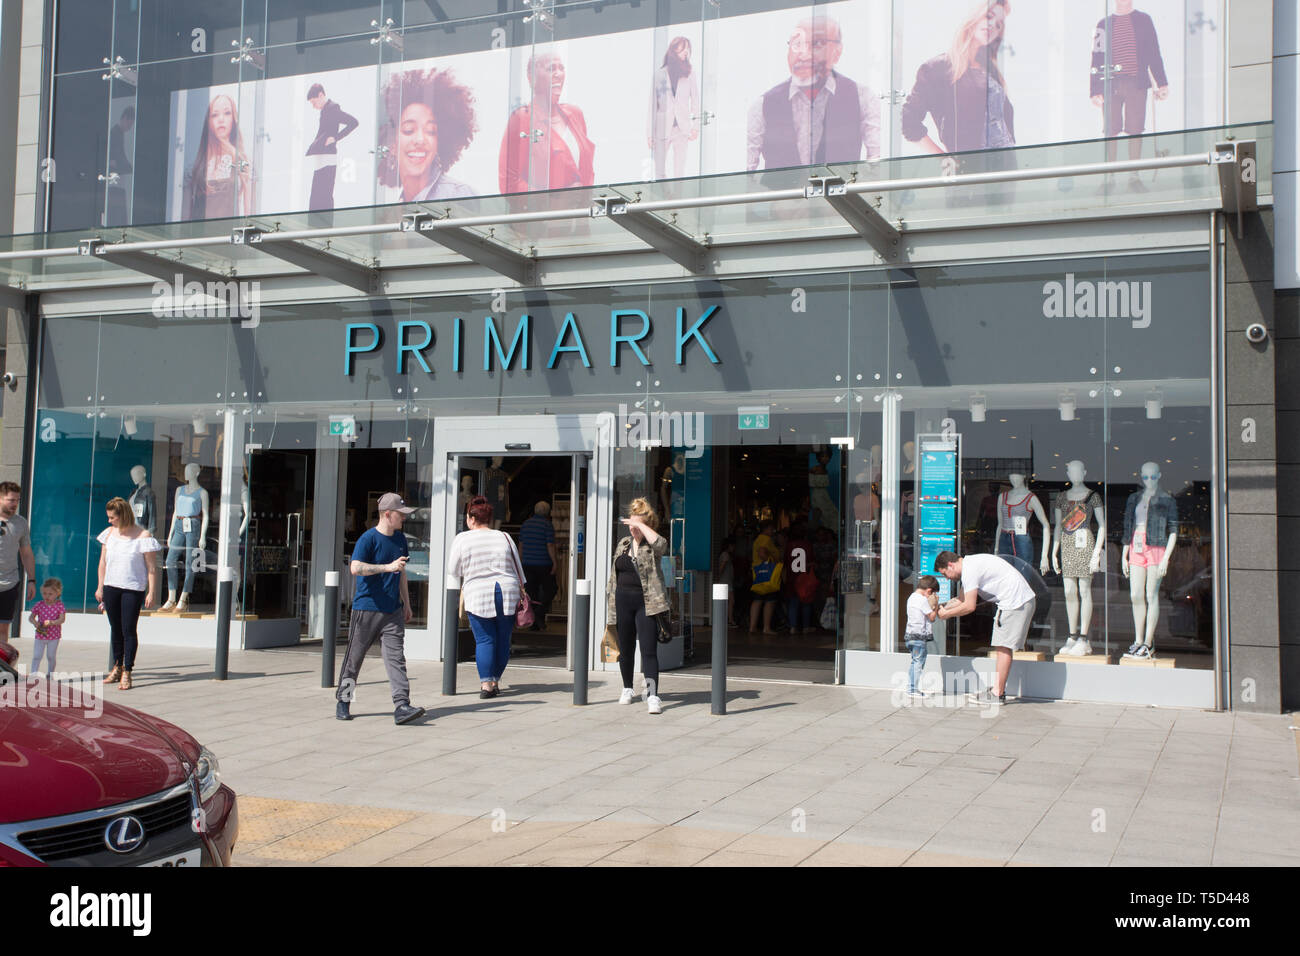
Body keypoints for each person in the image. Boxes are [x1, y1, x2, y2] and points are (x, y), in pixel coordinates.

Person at [900, 0, 1014, 192]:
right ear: (974, 17)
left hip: (1006, 171)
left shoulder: (992, 72)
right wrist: (944, 159)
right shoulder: (938, 68)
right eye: (988, 17)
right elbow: (909, 123)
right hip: (968, 174)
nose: (992, 26)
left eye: (999, 24)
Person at [746, 15, 880, 171]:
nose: (804, 54)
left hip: (840, 195)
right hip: (781, 195)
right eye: (797, 44)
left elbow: (876, 165)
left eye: (816, 44)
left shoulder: (862, 97)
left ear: (837, 52)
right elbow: (747, 175)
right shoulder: (763, 104)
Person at [337, 493, 425, 724]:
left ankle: (402, 705)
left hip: (392, 610)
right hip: (366, 609)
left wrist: (406, 602)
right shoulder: (368, 539)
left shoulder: (400, 540)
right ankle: (344, 701)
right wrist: (387, 567)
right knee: (354, 659)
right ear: (387, 514)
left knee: (396, 659)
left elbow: (401, 572)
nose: (403, 519)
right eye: (400, 515)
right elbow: (355, 568)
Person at [447, 495, 527, 698]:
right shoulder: (504, 537)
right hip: (506, 592)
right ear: (489, 519)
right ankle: (495, 680)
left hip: (478, 592)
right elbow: (518, 567)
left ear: (471, 519)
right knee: (502, 639)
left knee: (484, 640)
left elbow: (453, 569)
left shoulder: (462, 538)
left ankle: (486, 685)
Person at [935, 550, 1035, 704]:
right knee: (1002, 646)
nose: (947, 578)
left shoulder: (969, 570)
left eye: (945, 574)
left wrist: (946, 615)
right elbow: (961, 599)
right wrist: (941, 608)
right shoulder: (971, 564)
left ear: (950, 565)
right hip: (1018, 601)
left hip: (1014, 603)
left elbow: (969, 606)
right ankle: (997, 689)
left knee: (1003, 647)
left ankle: (997, 693)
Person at [1089, 0, 1169, 189]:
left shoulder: (1144, 20)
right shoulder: (1103, 24)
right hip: (1111, 84)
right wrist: (1095, 89)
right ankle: (1109, 176)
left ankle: (1134, 176)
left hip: (1136, 82)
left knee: (1135, 128)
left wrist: (1162, 82)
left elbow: (1153, 52)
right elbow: (1097, 56)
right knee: (1110, 128)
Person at [605, 497, 669, 715]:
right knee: (626, 649)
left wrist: (642, 525)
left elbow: (662, 545)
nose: (633, 529)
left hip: (647, 603)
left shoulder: (652, 545)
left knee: (649, 650)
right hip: (622, 600)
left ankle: (653, 695)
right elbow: (614, 575)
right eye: (631, 524)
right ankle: (627, 688)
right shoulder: (623, 544)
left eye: (638, 525)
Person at [499, 51, 595, 194]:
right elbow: (509, 183)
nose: (558, 73)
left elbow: (586, 169)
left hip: (579, 212)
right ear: (532, 77)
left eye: (561, 68)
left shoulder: (575, 115)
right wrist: (554, 201)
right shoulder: (522, 119)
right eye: (551, 68)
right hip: (546, 212)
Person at [377, 68, 476, 203]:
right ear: (392, 144)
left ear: (439, 143)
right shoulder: (393, 209)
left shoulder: (458, 195)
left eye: (430, 131)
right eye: (409, 130)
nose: (420, 139)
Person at [95, 497, 160, 690]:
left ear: (122, 516)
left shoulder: (143, 536)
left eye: (112, 517)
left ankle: (128, 671)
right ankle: (117, 665)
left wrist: (151, 591)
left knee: (128, 629)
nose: (109, 521)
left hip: (133, 588)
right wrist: (100, 586)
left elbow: (151, 568)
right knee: (115, 628)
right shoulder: (109, 534)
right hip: (111, 586)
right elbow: (102, 563)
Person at [186, 93, 253, 219]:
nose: (221, 119)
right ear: (209, 121)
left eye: (227, 113)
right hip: (201, 235)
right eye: (215, 115)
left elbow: (248, 210)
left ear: (234, 118)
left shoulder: (241, 160)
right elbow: (186, 214)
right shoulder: (198, 165)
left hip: (229, 234)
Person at [647, 36, 700, 180]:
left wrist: (696, 126)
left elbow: (695, 100)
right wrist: (650, 133)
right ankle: (664, 195)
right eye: (683, 48)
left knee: (679, 169)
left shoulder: (690, 73)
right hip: (663, 127)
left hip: (681, 127)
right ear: (674, 49)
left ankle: (677, 197)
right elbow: (653, 106)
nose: (686, 52)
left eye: (688, 49)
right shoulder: (659, 75)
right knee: (659, 168)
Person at [305, 83, 359, 211]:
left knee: (323, 193)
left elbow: (353, 122)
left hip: (327, 157)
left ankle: (322, 225)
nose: (314, 106)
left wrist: (335, 138)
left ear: (321, 95)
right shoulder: (326, 110)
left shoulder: (332, 109)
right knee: (319, 194)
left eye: (314, 102)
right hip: (323, 157)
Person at [0, 481, 35, 641]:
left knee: (2, 630)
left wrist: (31, 580)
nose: (15, 504)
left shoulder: (20, 523)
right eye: (11, 500)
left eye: (18, 500)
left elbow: (26, 553)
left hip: (9, 583)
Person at [518, 501, 558, 631]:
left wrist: (519, 562)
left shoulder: (525, 524)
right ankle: (540, 614)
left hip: (527, 564)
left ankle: (533, 621)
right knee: (551, 589)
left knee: (531, 593)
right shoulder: (547, 525)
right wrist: (555, 562)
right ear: (547, 512)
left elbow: (521, 545)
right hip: (544, 564)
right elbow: (550, 545)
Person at [904, 575, 940, 698]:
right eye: (932, 594)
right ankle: (912, 689)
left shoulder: (911, 597)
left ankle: (911, 687)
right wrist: (936, 605)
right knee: (918, 664)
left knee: (914, 663)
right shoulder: (922, 600)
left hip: (909, 636)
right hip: (919, 638)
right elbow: (932, 617)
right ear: (929, 591)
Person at [28, 577, 66, 677]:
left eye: (50, 594)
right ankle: (33, 674)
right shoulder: (39, 605)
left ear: (57, 594)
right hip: (40, 635)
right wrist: (35, 622)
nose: (47, 596)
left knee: (50, 656)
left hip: (54, 636)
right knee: (37, 655)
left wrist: (51, 622)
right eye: (44, 593)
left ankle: (50, 673)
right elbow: (31, 617)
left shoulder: (59, 605)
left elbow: (62, 619)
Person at [748, 544, 784, 635]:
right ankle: (766, 628)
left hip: (759, 583)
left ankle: (752, 627)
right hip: (770, 584)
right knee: (769, 602)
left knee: (757, 601)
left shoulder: (756, 562)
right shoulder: (768, 543)